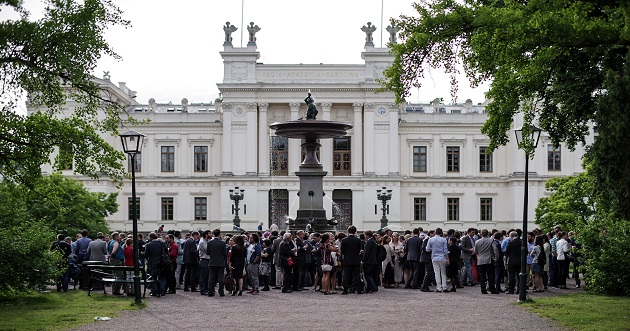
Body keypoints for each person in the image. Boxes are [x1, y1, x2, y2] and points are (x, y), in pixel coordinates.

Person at [474, 229, 498, 294]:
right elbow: (495, 249)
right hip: (489, 259)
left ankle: (483, 289)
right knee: (490, 275)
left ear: (481, 234)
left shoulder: (477, 242)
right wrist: (496, 257)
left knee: (482, 275)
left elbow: (475, 251)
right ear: (487, 234)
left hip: (480, 260)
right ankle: (492, 289)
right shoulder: (490, 241)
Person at [426, 228, 450, 292]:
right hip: (442, 257)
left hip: (434, 257)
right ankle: (444, 287)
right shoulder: (444, 240)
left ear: (435, 232)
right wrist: (447, 259)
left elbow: (427, 249)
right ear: (441, 233)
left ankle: (439, 287)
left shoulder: (431, 239)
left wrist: (433, 248)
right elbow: (445, 250)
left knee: (437, 273)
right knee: (443, 273)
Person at [144, 232, 168, 296]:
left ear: (150, 237)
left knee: (153, 277)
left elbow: (146, 254)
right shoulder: (162, 243)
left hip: (152, 262)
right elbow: (166, 252)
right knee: (162, 276)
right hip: (161, 262)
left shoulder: (148, 245)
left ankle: (154, 291)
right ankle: (162, 290)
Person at [207, 228, 227, 297]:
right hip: (220, 262)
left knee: (211, 278)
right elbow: (224, 253)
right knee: (220, 278)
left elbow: (208, 252)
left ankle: (210, 291)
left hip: (212, 262)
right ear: (219, 234)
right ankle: (221, 292)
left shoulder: (209, 242)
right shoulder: (222, 243)